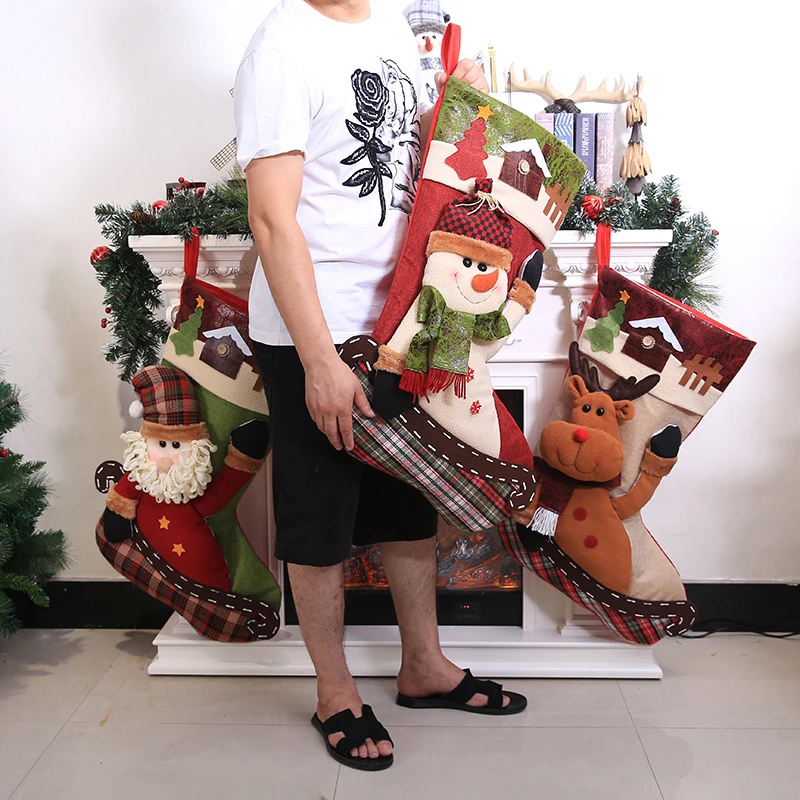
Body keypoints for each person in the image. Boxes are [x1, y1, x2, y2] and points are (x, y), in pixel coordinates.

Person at [234, 0, 527, 771]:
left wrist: (458, 103)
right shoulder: (281, 48)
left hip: (399, 318)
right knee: (319, 515)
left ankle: (423, 667)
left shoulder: (391, 28)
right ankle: (335, 693)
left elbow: (412, 156)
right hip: (318, 330)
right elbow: (271, 219)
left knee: (406, 501)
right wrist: (319, 360)